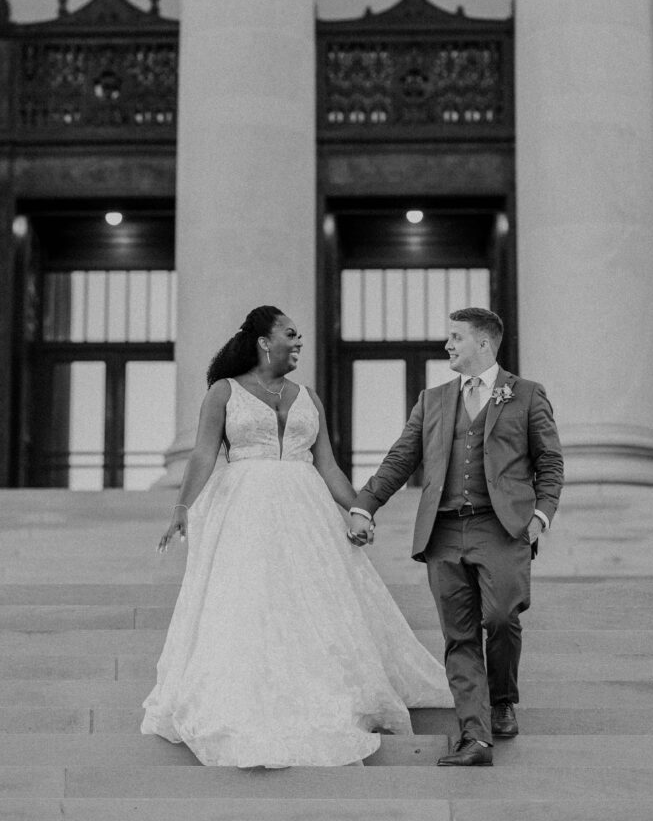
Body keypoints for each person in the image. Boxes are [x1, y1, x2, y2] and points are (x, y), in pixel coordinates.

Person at [141, 305, 450, 768]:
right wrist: (182, 507)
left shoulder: (308, 396)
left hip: (306, 512)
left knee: (311, 599)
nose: (299, 342)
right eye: (291, 334)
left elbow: (326, 465)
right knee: (252, 601)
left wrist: (359, 507)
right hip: (245, 510)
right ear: (265, 341)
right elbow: (204, 454)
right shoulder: (222, 393)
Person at [349, 307, 564, 766]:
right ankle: (475, 738)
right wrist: (364, 505)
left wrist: (541, 517)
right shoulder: (433, 399)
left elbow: (550, 462)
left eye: (456, 337)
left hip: (502, 528)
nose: (448, 345)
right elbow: (400, 459)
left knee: (503, 617)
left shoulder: (525, 395)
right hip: (444, 531)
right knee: (459, 635)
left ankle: (502, 697)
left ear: (483, 344)